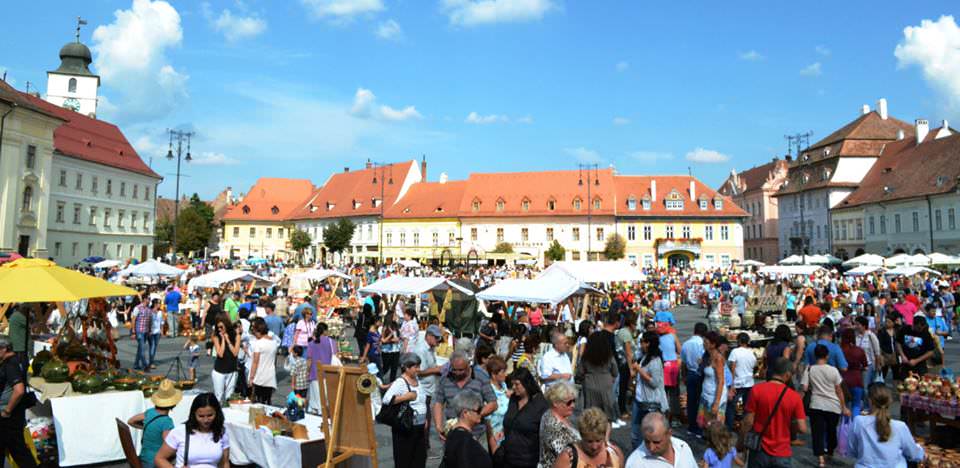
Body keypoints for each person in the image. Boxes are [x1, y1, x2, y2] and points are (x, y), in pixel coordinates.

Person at [739, 357, 807, 468]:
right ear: (787, 375)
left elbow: (748, 422)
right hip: (782, 452)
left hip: (759, 450)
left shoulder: (757, 390)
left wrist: (741, 443)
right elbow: (802, 428)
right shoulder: (794, 397)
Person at [847, 383, 925, 467]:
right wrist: (921, 449)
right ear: (889, 401)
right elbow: (914, 454)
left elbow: (852, 451)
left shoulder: (859, 422)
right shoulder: (900, 426)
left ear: (869, 400)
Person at [801, 344, 849, 467]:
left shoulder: (810, 369)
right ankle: (830, 451)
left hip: (816, 404)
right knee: (831, 431)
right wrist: (843, 407)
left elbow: (804, 387)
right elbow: (839, 390)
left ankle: (820, 459)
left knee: (817, 432)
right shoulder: (833, 370)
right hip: (833, 405)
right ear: (827, 355)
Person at [432, 351, 497, 443]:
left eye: (461, 370)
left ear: (468, 365)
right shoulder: (445, 379)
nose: (457, 373)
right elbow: (438, 403)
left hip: (477, 434)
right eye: (454, 370)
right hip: (453, 434)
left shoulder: (480, 377)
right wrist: (439, 426)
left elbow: (493, 403)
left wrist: (475, 416)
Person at [154, 392, 229, 468]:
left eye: (210, 415)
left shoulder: (221, 432)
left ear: (217, 413)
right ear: (194, 414)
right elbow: (159, 458)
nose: (206, 420)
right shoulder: (179, 432)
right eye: (201, 416)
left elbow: (225, 463)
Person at [383, 353, 429, 468]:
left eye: (419, 366)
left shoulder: (417, 380)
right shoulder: (400, 382)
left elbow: (422, 401)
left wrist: (426, 419)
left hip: (419, 426)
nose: (418, 369)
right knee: (404, 460)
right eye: (416, 367)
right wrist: (406, 397)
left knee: (419, 459)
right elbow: (387, 400)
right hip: (406, 427)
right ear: (407, 368)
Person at [499, 368, 550, 468]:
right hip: (507, 458)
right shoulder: (513, 400)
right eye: (512, 384)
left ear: (526, 383)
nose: (513, 387)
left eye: (517, 384)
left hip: (528, 461)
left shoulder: (540, 404)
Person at [0, 335, 36, 468]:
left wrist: (7, 410)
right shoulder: (17, 361)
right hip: (13, 415)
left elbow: (19, 390)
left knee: (19, 451)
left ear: (4, 349)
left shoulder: (10, 365)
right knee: (16, 449)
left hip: (9, 416)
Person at [128, 379, 181, 468]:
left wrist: (148, 427)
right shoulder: (166, 421)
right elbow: (169, 445)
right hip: (155, 462)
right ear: (173, 403)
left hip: (144, 457)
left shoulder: (149, 412)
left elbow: (130, 421)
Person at [631, 330, 668, 451]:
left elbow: (654, 383)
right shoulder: (645, 357)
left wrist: (639, 370)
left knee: (649, 433)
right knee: (635, 433)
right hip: (639, 400)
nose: (640, 344)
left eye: (642, 342)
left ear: (648, 343)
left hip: (651, 403)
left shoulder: (655, 361)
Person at [553, 407, 625, 468]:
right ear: (582, 436)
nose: (594, 447)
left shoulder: (615, 454)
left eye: (598, 440)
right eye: (589, 441)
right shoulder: (568, 457)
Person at [577, 332, 620, 426]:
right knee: (607, 415)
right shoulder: (609, 356)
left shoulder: (586, 357)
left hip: (590, 386)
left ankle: (592, 437)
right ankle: (606, 439)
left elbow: (579, 373)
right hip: (606, 386)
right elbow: (615, 372)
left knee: (591, 415)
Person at [625, 412, 697, 468]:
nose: (651, 448)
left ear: (669, 434)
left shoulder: (683, 447)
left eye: (656, 442)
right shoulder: (635, 463)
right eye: (647, 442)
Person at [441, 391, 493, 468]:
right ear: (465, 413)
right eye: (478, 410)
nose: (481, 413)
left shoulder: (455, 433)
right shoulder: (464, 441)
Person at [539, 382, 580, 468]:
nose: (573, 405)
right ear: (555, 403)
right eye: (568, 402)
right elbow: (571, 455)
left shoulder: (558, 415)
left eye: (574, 401)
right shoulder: (553, 427)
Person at [681, 322, 707, 436]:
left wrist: (684, 376)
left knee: (691, 402)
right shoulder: (703, 344)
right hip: (701, 375)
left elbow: (683, 362)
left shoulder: (686, 344)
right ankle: (700, 428)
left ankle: (692, 427)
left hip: (690, 374)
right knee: (701, 402)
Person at [726, 333, 756, 430]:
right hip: (749, 383)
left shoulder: (735, 351)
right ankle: (745, 427)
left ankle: (729, 427)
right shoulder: (752, 353)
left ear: (738, 341)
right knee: (747, 408)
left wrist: (731, 384)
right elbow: (754, 367)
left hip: (737, 383)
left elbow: (732, 368)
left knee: (731, 407)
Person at [306, 323, 337, 413]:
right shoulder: (332, 342)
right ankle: (324, 412)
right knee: (325, 395)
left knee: (316, 395)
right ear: (325, 331)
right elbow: (335, 356)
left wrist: (307, 372)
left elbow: (309, 359)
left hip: (314, 372)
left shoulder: (311, 344)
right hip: (328, 372)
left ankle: (316, 411)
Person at [699, 332, 728, 429]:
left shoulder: (718, 359)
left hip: (714, 397)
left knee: (715, 427)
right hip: (706, 395)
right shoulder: (706, 356)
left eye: (706, 342)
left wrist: (716, 403)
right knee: (705, 425)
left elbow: (721, 381)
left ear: (713, 344)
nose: (703, 344)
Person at [247, 318, 278, 404]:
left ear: (258, 331)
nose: (255, 335)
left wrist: (251, 378)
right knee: (267, 401)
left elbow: (255, 362)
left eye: (255, 332)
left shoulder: (258, 344)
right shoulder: (274, 343)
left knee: (258, 402)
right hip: (270, 377)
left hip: (259, 377)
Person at [211, 317, 241, 404]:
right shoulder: (216, 337)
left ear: (226, 325)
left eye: (221, 327)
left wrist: (227, 339)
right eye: (218, 328)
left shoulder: (236, 335)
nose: (220, 329)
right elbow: (220, 353)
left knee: (230, 396)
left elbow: (235, 353)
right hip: (219, 370)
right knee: (219, 396)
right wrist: (223, 339)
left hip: (232, 370)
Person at [839, 328, 867, 416]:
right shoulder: (859, 350)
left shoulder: (839, 350)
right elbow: (865, 365)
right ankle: (855, 425)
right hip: (857, 380)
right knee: (856, 405)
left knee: (844, 406)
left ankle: (845, 427)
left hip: (842, 380)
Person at [486, 356, 510, 451]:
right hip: (496, 438)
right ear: (493, 374)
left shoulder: (504, 386)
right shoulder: (488, 392)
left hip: (506, 434)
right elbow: (487, 421)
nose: (506, 374)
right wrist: (493, 446)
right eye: (503, 372)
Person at [133, 296, 153, 371]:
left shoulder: (149, 309)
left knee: (140, 348)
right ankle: (145, 365)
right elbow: (133, 319)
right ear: (144, 299)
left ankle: (136, 364)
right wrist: (133, 331)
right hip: (139, 331)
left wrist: (150, 330)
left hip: (146, 331)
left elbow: (150, 321)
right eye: (148, 299)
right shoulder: (137, 308)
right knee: (142, 348)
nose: (149, 301)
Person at [150, 299, 163, 369]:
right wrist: (149, 330)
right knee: (152, 346)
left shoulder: (160, 312)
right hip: (151, 331)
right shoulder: (150, 312)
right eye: (159, 303)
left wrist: (162, 330)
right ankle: (151, 362)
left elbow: (161, 322)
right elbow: (148, 321)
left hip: (157, 331)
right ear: (155, 304)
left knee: (154, 347)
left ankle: (151, 360)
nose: (160, 305)